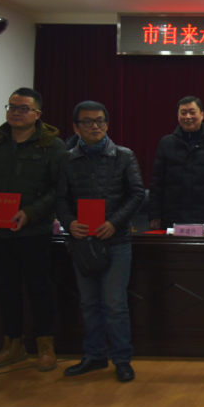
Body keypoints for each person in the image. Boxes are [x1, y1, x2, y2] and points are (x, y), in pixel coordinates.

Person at [0, 88, 66, 372]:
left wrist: (31, 213)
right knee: (6, 289)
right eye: (12, 107)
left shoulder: (52, 145)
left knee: (39, 288)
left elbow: (59, 188)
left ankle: (46, 346)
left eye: (24, 108)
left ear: (37, 114)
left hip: (34, 232)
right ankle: (13, 344)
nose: (15, 112)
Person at [55, 101, 145, 382]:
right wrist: (69, 222)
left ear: (107, 124)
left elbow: (137, 193)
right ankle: (94, 356)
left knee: (115, 303)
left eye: (100, 120)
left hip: (115, 240)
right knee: (89, 303)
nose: (95, 126)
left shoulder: (124, 155)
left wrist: (114, 222)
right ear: (76, 127)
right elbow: (60, 198)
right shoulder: (66, 159)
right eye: (87, 121)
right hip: (83, 242)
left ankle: (122, 359)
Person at [148, 96, 204, 230]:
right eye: (183, 113)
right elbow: (157, 184)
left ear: (202, 114)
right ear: (178, 116)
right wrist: (155, 215)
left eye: (192, 112)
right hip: (172, 217)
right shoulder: (166, 143)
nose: (187, 117)